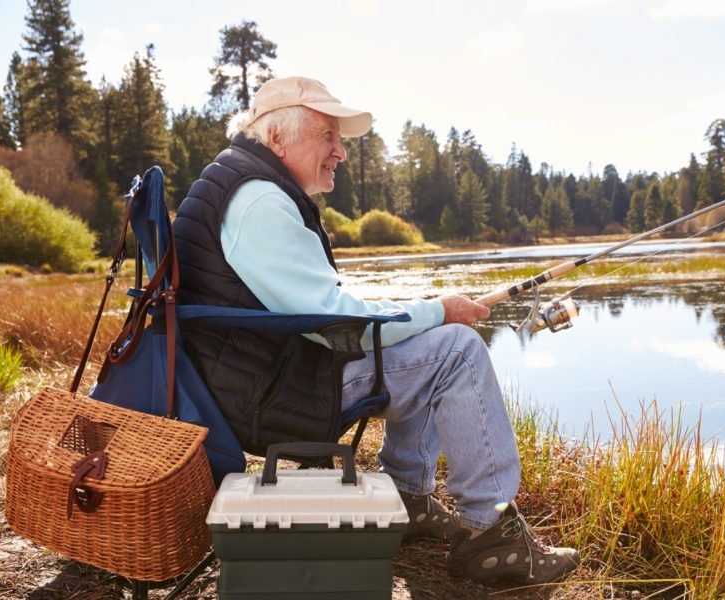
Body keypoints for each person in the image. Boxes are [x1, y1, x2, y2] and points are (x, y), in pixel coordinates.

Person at [173, 76, 579, 584]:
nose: (341, 151)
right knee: (454, 350)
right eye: (327, 135)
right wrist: (438, 310)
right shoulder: (259, 201)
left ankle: (408, 496)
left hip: (254, 375)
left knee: (424, 338)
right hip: (270, 394)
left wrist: (422, 314)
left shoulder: (242, 183)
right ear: (277, 138)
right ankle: (492, 533)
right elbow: (337, 321)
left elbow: (313, 307)